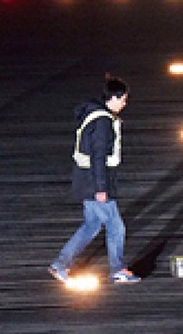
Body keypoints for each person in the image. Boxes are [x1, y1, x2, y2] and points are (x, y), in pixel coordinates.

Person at [49, 75, 141, 283]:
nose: (124, 104)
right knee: (116, 227)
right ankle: (117, 269)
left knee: (91, 225)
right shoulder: (103, 122)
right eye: (123, 99)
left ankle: (60, 264)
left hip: (85, 180)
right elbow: (98, 156)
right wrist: (101, 188)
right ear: (114, 98)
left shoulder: (94, 114)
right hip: (94, 182)